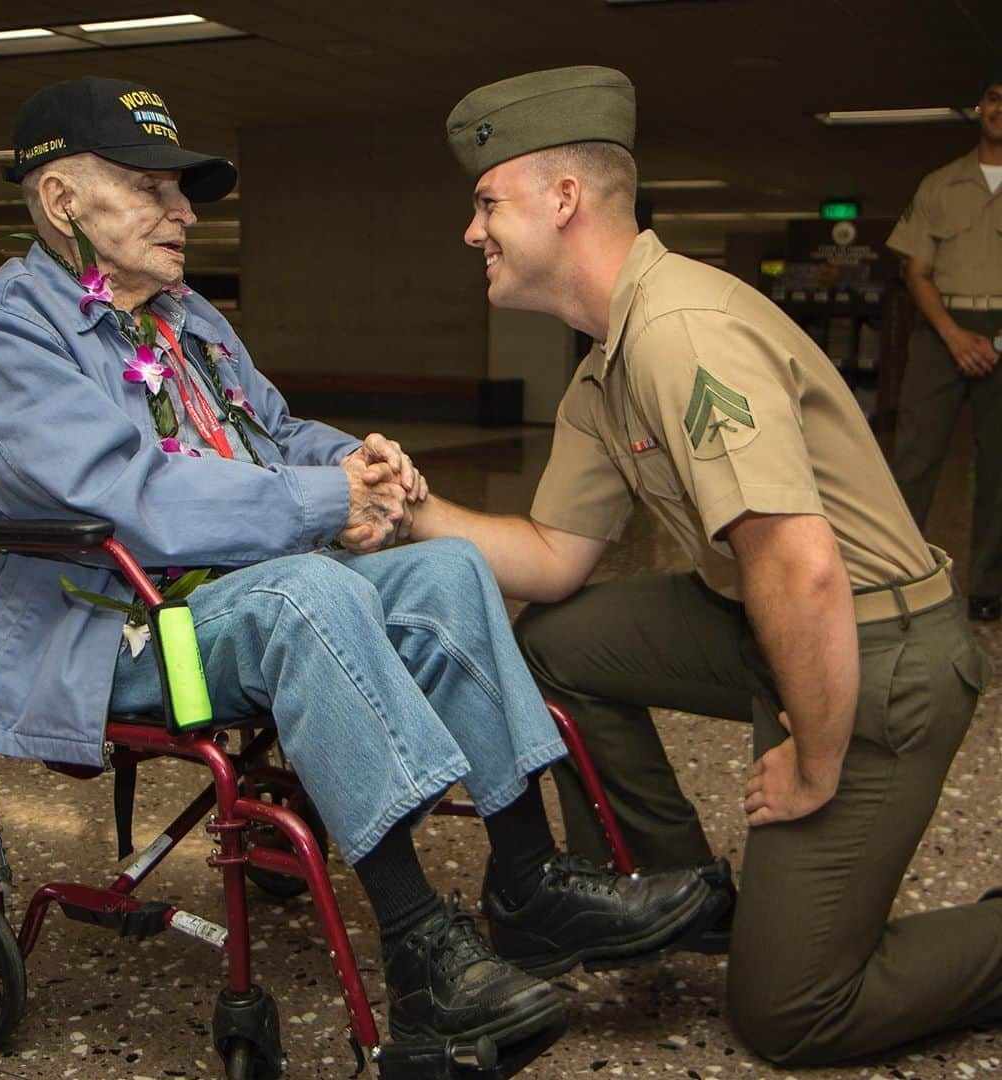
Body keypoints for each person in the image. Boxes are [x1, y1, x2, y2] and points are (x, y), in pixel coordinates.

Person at [0, 76, 721, 1067]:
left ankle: (529, 886)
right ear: (61, 201)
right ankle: (421, 957)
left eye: (182, 191)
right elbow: (126, 495)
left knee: (445, 571)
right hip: (108, 635)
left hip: (213, 603)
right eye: (152, 189)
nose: (185, 213)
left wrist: (362, 458)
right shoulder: (3, 331)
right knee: (304, 594)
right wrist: (323, 501)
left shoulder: (188, 315)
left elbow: (271, 429)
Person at [409, 65, 1002, 1065]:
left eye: (486, 202)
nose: (472, 232)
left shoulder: (681, 329)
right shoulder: (607, 360)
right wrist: (411, 510)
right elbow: (553, 561)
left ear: (562, 200)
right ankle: (671, 888)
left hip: (879, 654)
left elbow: (800, 566)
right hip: (768, 628)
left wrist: (815, 759)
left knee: (793, 1011)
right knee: (556, 642)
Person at [887, 70, 1002, 620]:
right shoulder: (939, 184)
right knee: (913, 459)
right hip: (940, 325)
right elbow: (916, 272)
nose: (1000, 108)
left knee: (999, 467)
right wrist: (955, 336)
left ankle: (988, 588)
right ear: (979, 106)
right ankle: (895, 577)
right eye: (994, 98)